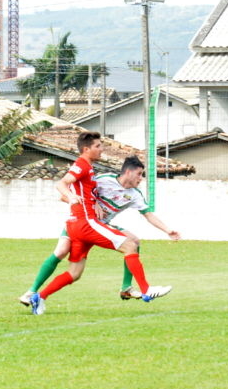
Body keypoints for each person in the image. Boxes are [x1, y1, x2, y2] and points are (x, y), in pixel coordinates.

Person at [28, 132, 172, 315]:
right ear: (87, 149)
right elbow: (62, 184)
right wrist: (72, 198)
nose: (102, 149)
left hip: (82, 225)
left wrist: (91, 200)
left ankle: (39, 297)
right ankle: (145, 289)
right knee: (129, 245)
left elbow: (87, 190)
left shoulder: (90, 169)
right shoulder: (83, 166)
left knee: (75, 273)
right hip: (86, 223)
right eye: (98, 146)